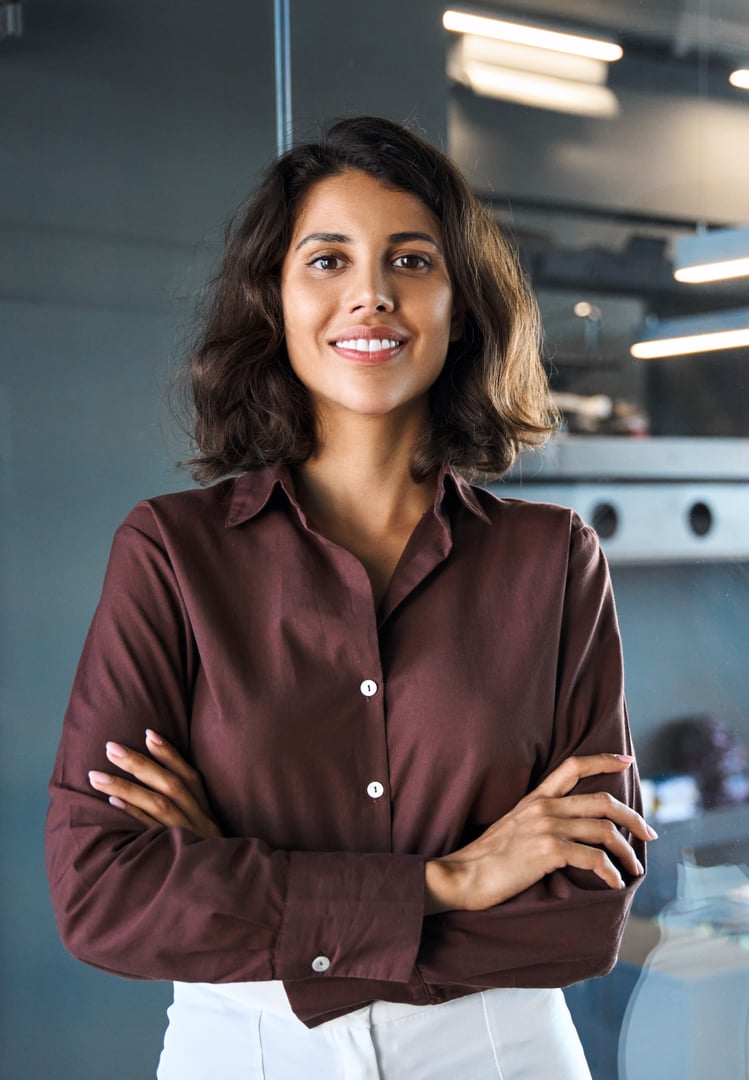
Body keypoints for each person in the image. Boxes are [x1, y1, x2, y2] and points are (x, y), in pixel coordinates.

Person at [46, 115, 654, 1079]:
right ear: (275, 301)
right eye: (327, 260)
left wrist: (245, 881)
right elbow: (104, 893)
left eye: (410, 260)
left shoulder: (554, 560)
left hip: (498, 1052)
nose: (370, 294)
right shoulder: (170, 552)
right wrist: (452, 879)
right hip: (243, 1052)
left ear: (460, 306)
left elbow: (579, 921)